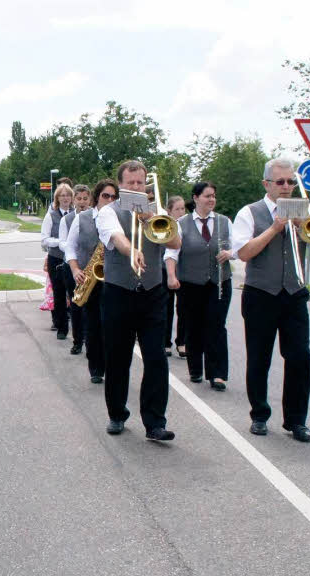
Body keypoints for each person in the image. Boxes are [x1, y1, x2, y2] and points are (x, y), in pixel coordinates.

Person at [231, 158, 310, 442]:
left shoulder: (304, 209)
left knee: (300, 357)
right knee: (259, 357)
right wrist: (274, 228)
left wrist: (303, 225)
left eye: (291, 181)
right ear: (267, 184)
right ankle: (260, 415)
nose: (287, 187)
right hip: (261, 294)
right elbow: (243, 253)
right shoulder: (250, 213)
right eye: (281, 182)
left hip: (294, 294)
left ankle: (297, 420)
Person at [95, 160, 181, 441]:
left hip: (153, 292)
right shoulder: (108, 212)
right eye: (130, 183)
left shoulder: (157, 213)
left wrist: (151, 220)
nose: (136, 187)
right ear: (120, 186)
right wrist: (132, 249)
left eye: (140, 183)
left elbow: (175, 244)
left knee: (156, 358)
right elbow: (116, 238)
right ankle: (117, 414)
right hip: (119, 292)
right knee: (118, 357)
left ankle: (155, 422)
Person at [165, 182, 234, 391]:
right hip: (190, 283)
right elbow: (171, 252)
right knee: (193, 325)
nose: (211, 200)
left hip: (219, 281)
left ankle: (218, 374)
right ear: (195, 198)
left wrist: (231, 253)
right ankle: (195, 369)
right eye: (207, 196)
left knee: (216, 325)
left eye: (213, 196)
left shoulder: (224, 221)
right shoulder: (181, 224)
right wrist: (171, 275)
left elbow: (238, 245)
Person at [65, 179, 117, 384]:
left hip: (114, 280)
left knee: (113, 326)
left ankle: (112, 366)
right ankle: (96, 367)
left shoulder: (119, 218)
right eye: (106, 196)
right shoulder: (83, 218)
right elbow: (70, 246)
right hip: (90, 278)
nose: (110, 200)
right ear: (97, 197)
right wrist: (75, 268)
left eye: (114, 197)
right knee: (93, 326)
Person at [58, 184, 91, 354]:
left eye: (85, 199)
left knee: (91, 305)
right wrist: (74, 248)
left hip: (90, 267)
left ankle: (90, 339)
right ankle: (78, 340)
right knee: (76, 303)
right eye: (79, 199)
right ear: (74, 200)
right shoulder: (67, 219)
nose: (82, 202)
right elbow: (63, 243)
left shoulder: (95, 216)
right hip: (72, 266)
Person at [41, 184, 74, 339]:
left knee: (75, 294)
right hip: (56, 258)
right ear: (57, 198)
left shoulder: (76, 214)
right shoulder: (51, 215)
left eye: (68, 195)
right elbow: (44, 239)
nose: (65, 198)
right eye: (62, 195)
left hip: (73, 259)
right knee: (59, 293)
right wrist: (60, 242)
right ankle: (62, 327)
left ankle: (79, 329)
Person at [163, 196, 187, 358]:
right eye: (177, 209)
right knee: (167, 307)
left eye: (183, 208)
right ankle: (166, 342)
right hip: (165, 269)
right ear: (169, 211)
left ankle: (182, 342)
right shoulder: (165, 223)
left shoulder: (188, 224)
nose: (181, 212)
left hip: (184, 270)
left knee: (183, 308)